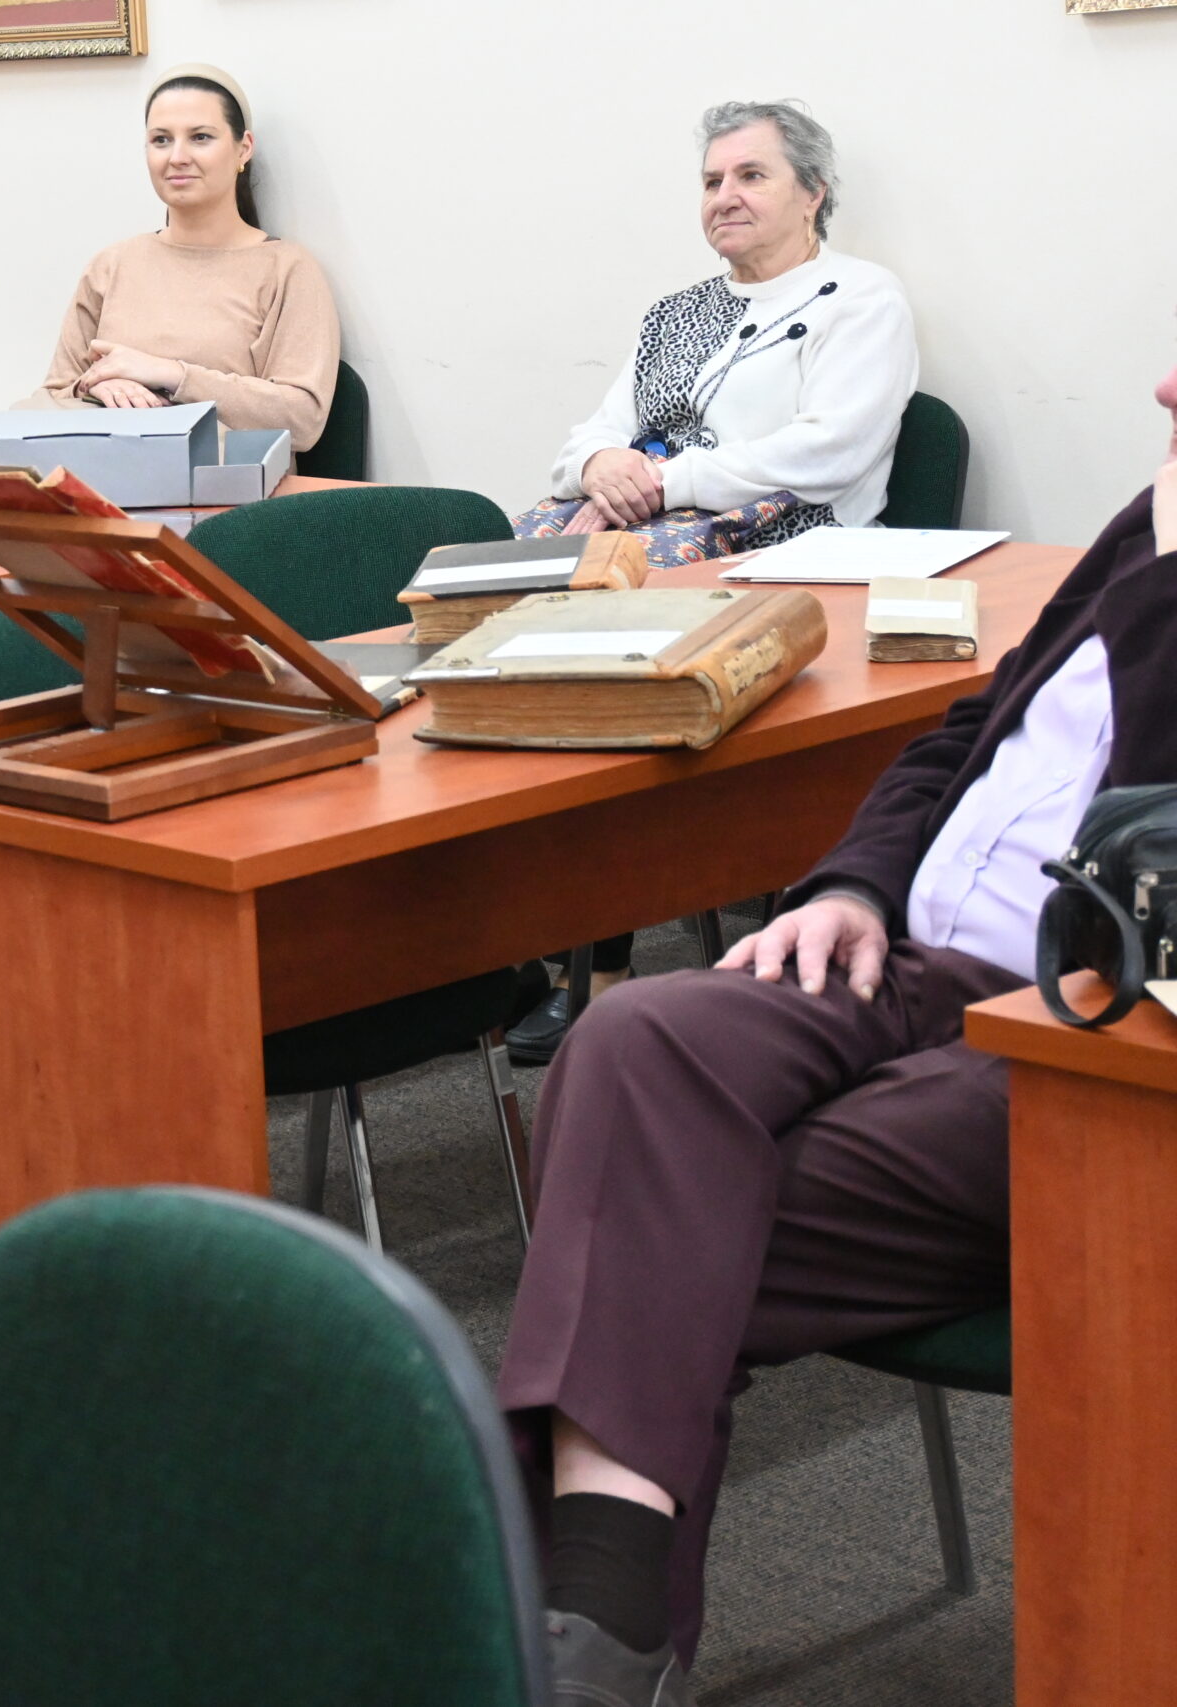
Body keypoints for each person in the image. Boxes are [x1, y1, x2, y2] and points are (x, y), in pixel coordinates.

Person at [497, 355, 1177, 1707]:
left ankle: (590, 1625)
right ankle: (585, 1628)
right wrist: (853, 886)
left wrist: (1171, 573)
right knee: (633, 1044)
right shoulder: (1146, 513)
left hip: (1096, 1032)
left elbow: (1158, 836)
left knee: (648, 1208)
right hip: (921, 958)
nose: (1163, 388)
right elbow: (969, 731)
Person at [506, 100, 920, 1066]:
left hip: (792, 553)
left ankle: (598, 964)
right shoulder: (678, 312)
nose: (724, 196)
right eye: (710, 181)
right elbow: (588, 437)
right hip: (654, 540)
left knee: (599, 654)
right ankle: (530, 933)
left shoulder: (861, 300)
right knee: (507, 598)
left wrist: (665, 480)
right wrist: (606, 466)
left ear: (813, 193)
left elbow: (827, 452)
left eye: (750, 176)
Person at [34, 65, 338, 450]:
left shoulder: (287, 269)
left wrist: (171, 375)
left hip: (230, 483)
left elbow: (303, 420)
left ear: (243, 148)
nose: (177, 157)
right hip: (104, 479)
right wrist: (96, 386)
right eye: (161, 140)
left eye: (200, 137)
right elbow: (52, 398)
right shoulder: (111, 265)